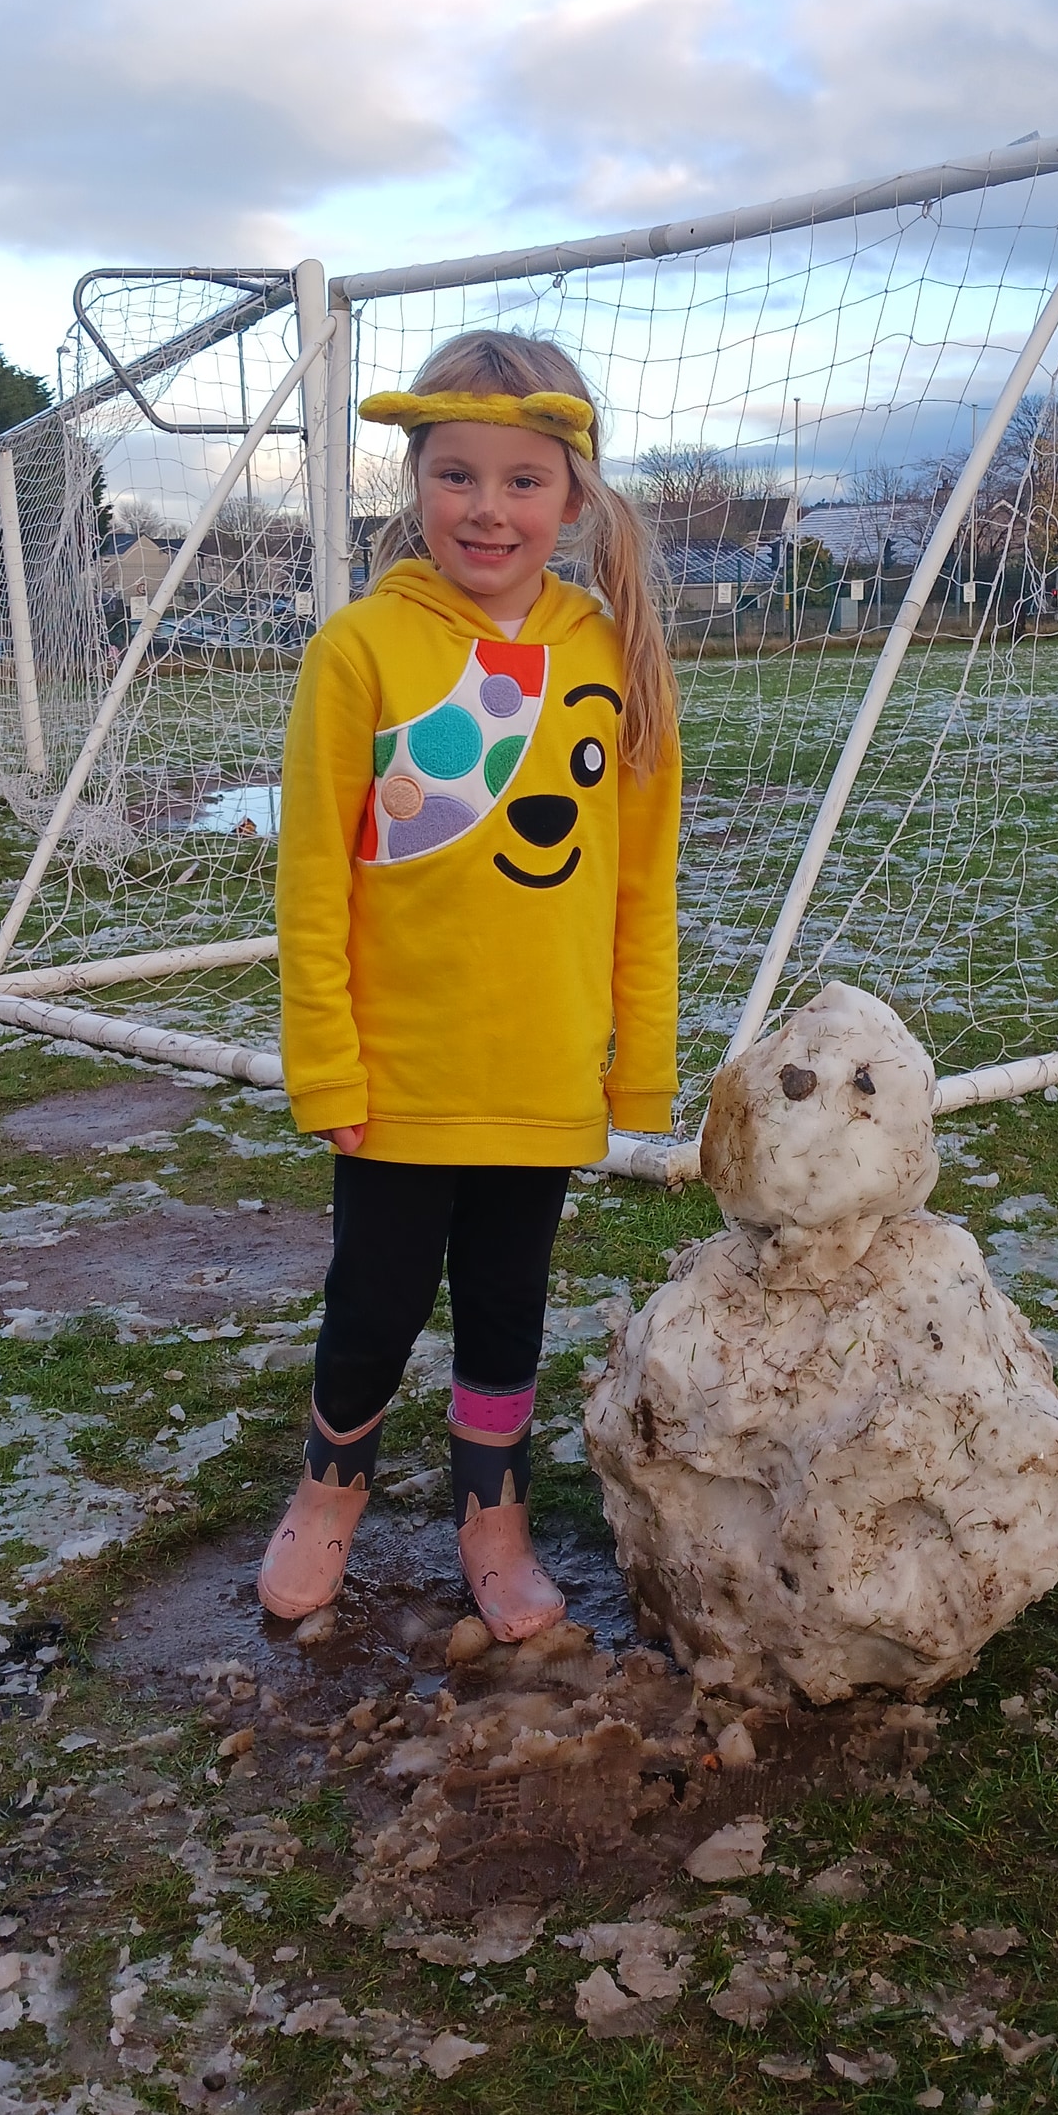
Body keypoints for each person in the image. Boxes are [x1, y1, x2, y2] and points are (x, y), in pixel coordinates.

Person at [260, 331, 681, 1639]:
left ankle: (489, 1518)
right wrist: (327, 1062)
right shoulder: (361, 651)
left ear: (574, 497)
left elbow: (640, 887)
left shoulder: (612, 658)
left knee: (508, 1307)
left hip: (542, 1072)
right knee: (374, 1306)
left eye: (520, 480)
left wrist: (641, 1062)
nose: (486, 508)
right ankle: (329, 1495)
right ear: (414, 481)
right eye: (455, 476)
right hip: (400, 1077)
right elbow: (313, 883)